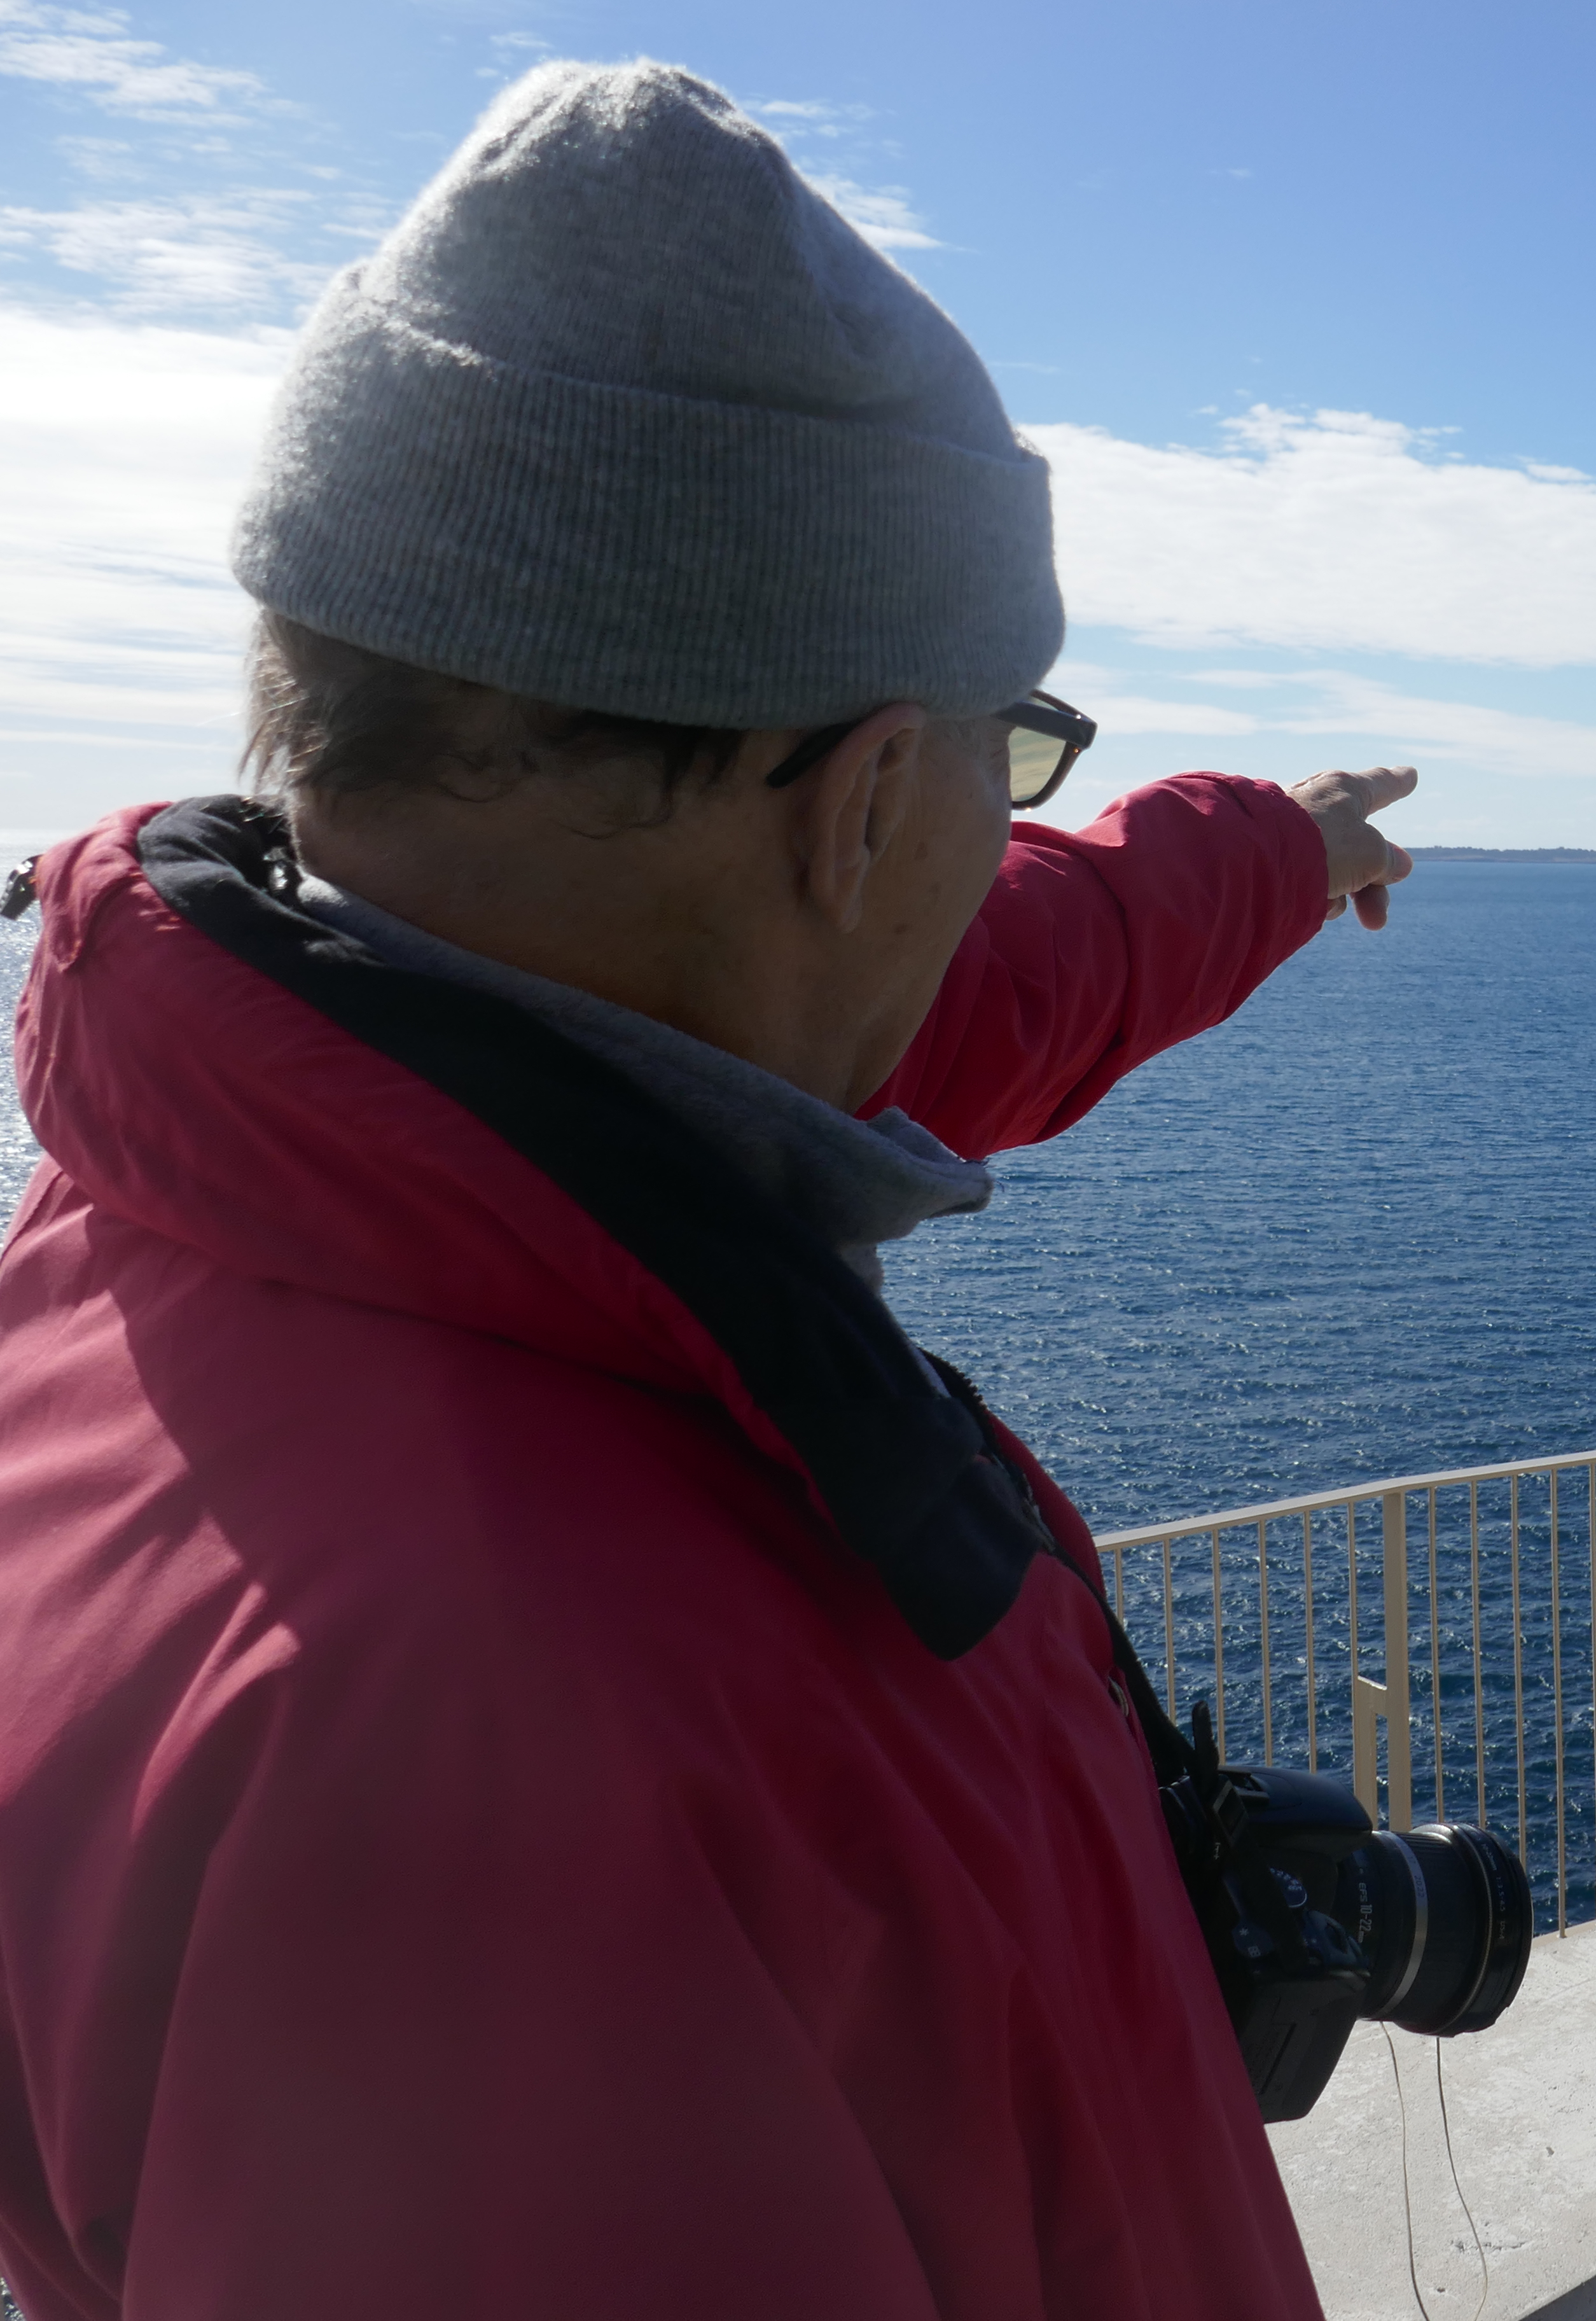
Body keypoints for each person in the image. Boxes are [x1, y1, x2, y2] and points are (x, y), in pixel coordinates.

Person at [0, 61, 1408, 2320]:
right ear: (860, 806)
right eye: (1010, 750)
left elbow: (1017, 972)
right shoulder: (519, 1784)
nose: (1005, 834)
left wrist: (1281, 846)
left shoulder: (295, 1146)